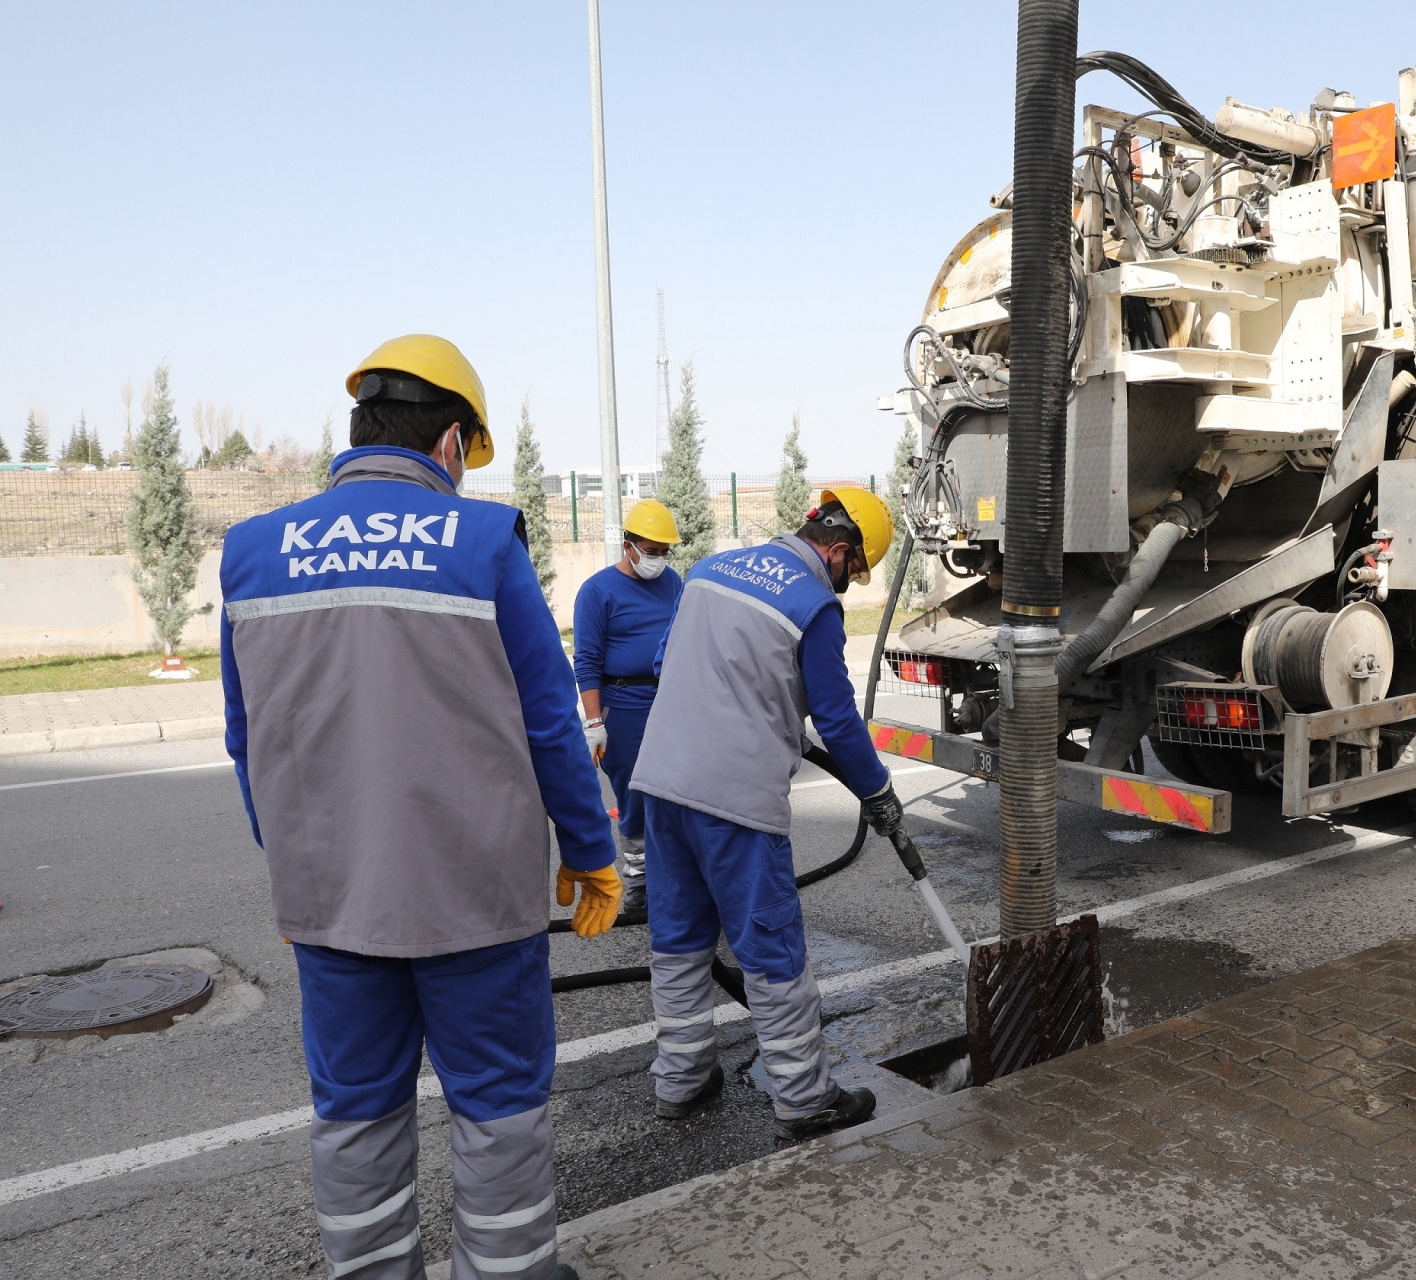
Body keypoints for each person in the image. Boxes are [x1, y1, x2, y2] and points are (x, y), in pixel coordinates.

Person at [220, 334, 616, 1280]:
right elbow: (550, 720)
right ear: (449, 444)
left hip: (332, 904)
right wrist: (590, 848)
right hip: (472, 899)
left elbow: (248, 739)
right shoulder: (482, 542)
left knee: (355, 1110)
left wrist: (295, 869)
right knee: (498, 1103)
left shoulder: (252, 550)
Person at [633, 490, 906, 1138]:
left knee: (679, 937)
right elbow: (836, 715)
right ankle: (805, 1098)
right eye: (854, 572)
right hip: (735, 799)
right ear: (839, 550)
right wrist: (879, 792)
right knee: (771, 949)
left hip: (662, 782)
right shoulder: (813, 602)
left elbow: (662, 662)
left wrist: (767, 710)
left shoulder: (709, 570)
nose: (847, 584)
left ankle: (681, 1077)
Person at [573, 499, 682, 914]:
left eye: (663, 551)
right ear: (628, 545)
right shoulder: (598, 591)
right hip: (624, 705)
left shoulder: (672, 583)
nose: (657, 559)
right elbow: (586, 661)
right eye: (649, 551)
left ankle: (673, 873)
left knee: (674, 792)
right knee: (634, 794)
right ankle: (639, 880)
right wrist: (595, 722)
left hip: (668, 701)